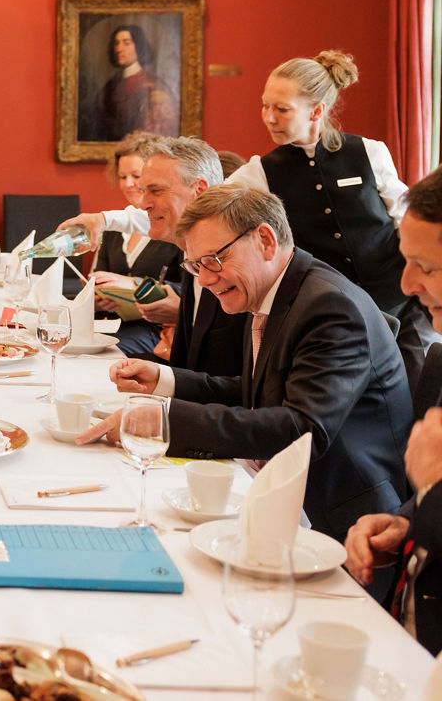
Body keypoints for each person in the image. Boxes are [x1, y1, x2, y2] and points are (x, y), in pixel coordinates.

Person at [81, 184, 412, 543]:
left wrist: (163, 422)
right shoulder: (275, 291)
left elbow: (302, 429)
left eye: (213, 261)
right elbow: (260, 392)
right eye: (196, 266)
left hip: (339, 522)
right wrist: (166, 380)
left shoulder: (329, 307)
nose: (205, 280)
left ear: (266, 241)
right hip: (276, 493)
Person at [229, 50, 436, 389]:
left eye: (281, 109)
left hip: (401, 301)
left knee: (414, 389)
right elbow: (200, 204)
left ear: (317, 111)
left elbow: (407, 217)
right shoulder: (259, 172)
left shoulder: (369, 151)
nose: (269, 117)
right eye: (264, 106)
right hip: (333, 313)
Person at [345, 166, 442, 654]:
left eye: (427, 268)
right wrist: (407, 523)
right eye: (406, 263)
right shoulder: (441, 360)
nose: (406, 285)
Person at [62, 136, 245, 377]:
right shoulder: (192, 255)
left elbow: (232, 382)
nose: (144, 204)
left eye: (156, 190)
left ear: (199, 191)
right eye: (142, 191)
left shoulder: (230, 266)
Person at [89, 132, 183, 358]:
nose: (129, 184)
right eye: (122, 177)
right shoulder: (114, 226)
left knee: (99, 356)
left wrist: (132, 283)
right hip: (108, 323)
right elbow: (96, 277)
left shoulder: (173, 229)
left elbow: (186, 290)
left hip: (153, 329)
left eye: (136, 176)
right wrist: (97, 302)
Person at [82, 24, 177, 142]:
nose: (118, 49)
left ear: (139, 46)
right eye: (116, 43)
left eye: (126, 43)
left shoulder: (153, 84)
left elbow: (162, 128)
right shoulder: (110, 85)